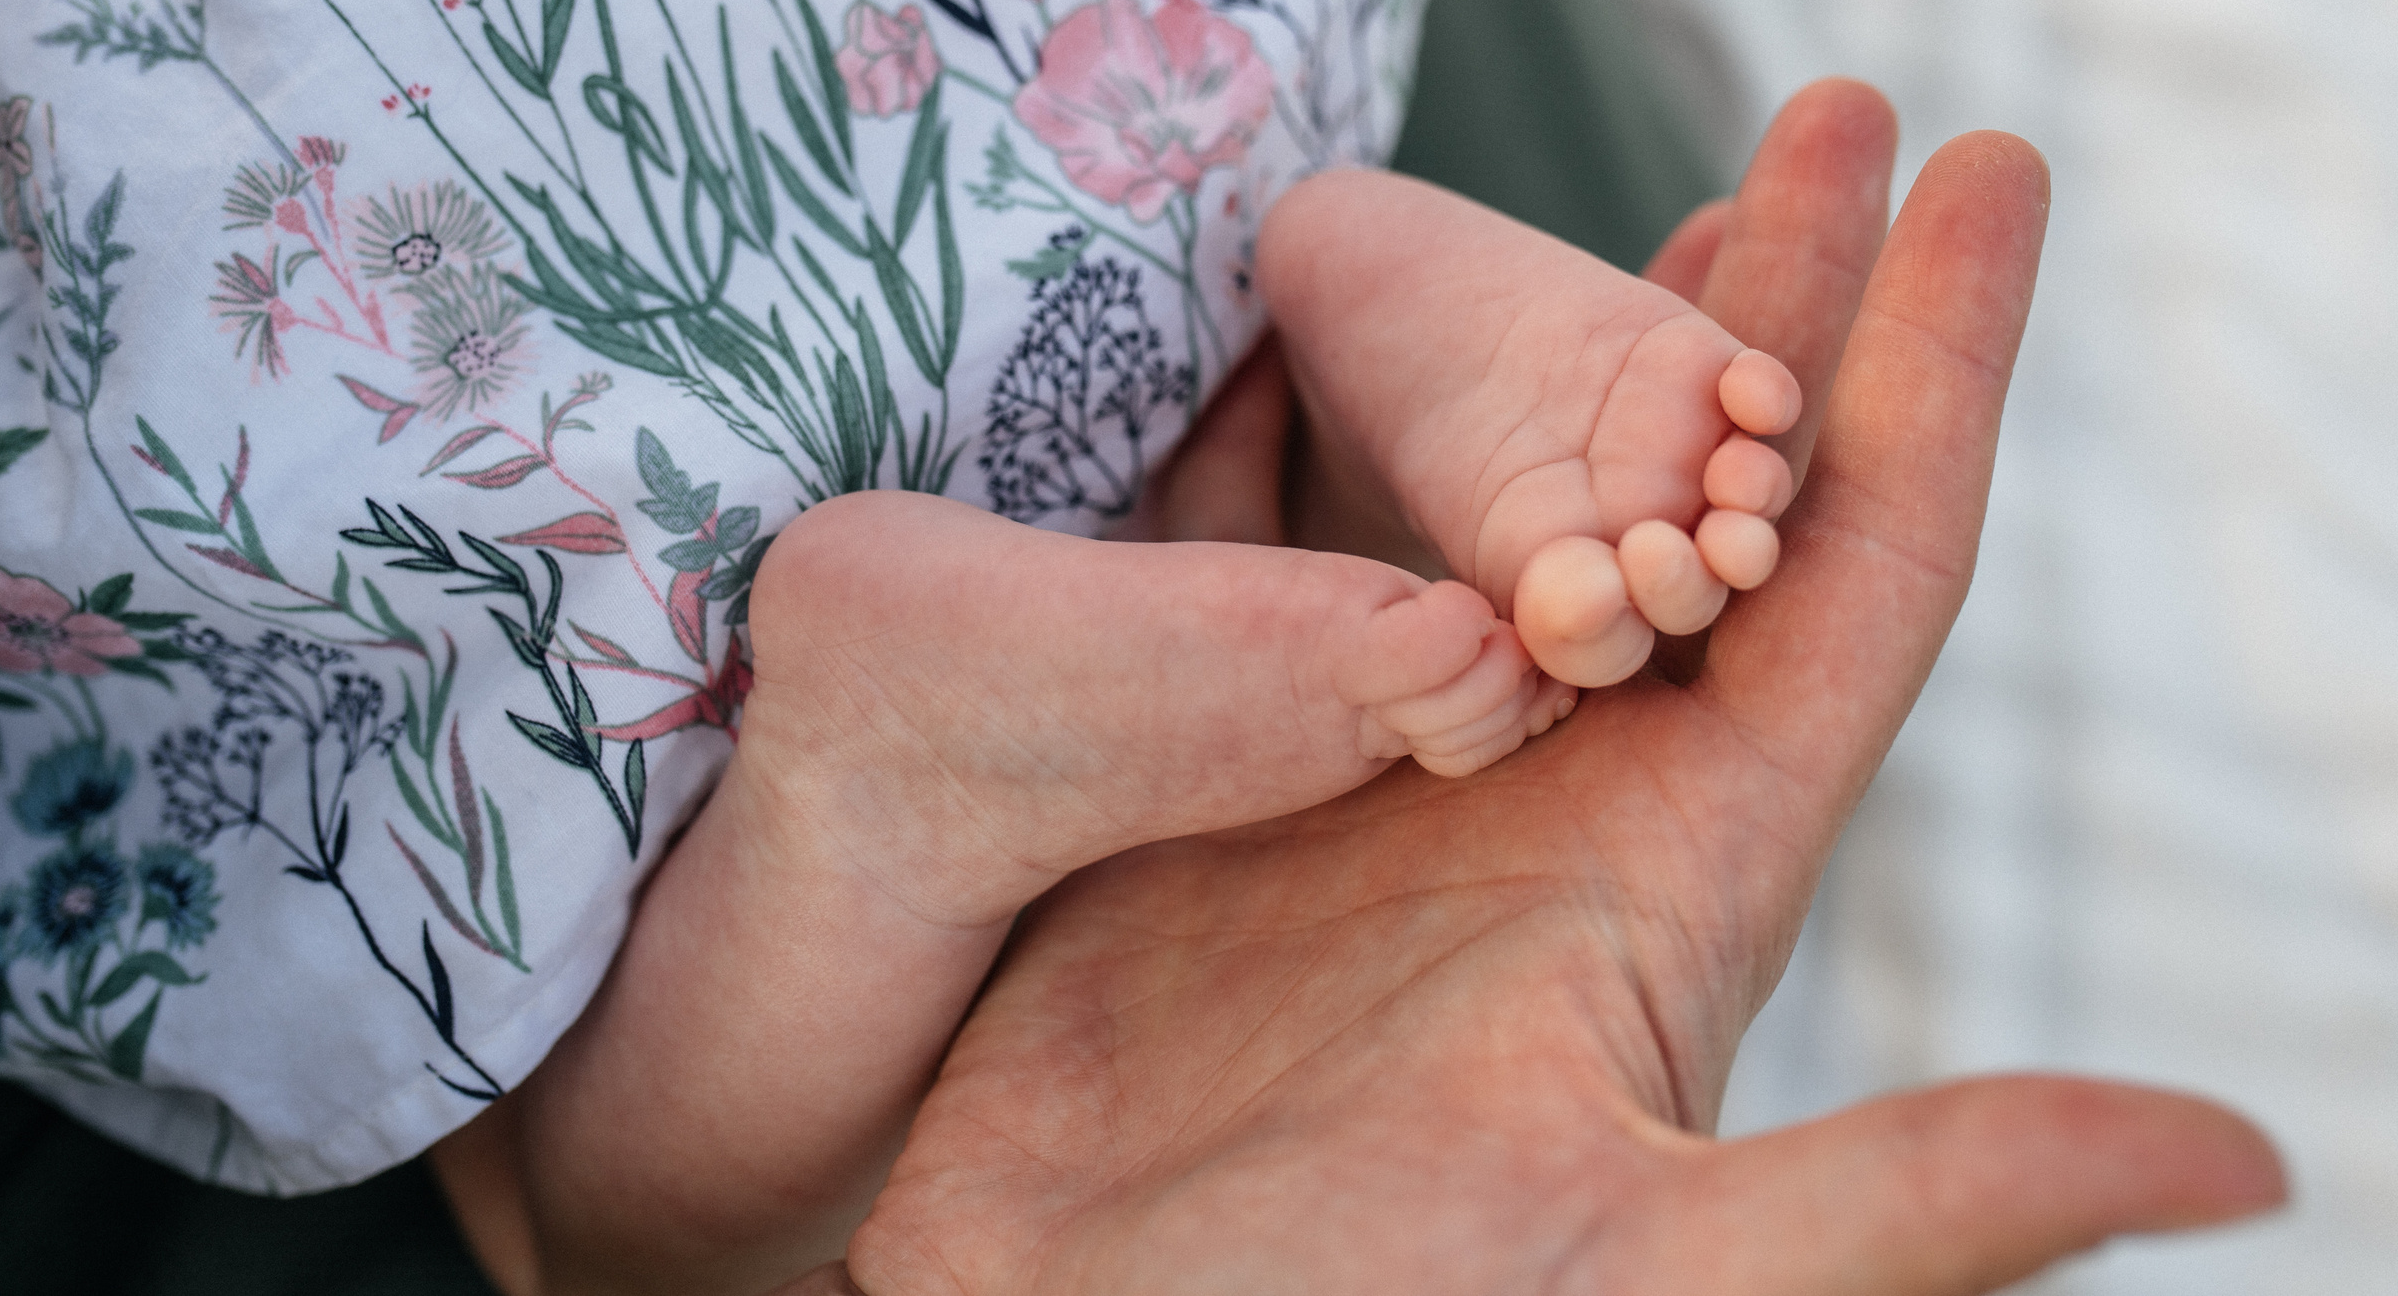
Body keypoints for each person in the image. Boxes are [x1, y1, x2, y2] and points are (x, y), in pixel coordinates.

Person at [0, 0, 1795, 1272]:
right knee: (1184, 85)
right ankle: (1321, 245)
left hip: (188, 150)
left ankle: (861, 795)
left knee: (565, 1152)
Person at [737, 80, 2288, 1296]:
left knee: (631, 1239)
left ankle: (876, 797)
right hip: (1075, 181)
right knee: (644, 1223)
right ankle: (1330, 312)